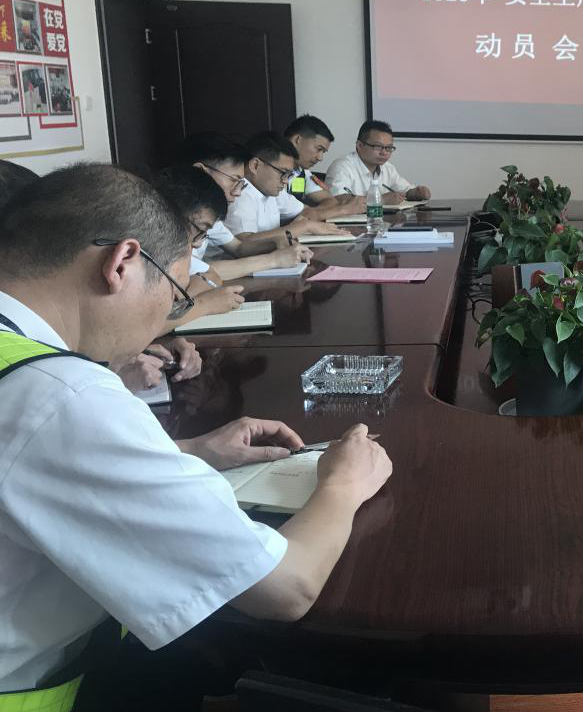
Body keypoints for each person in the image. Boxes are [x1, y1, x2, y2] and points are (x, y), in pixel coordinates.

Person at [0, 163, 393, 704]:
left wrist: (188, 451)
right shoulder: (62, 393)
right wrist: (344, 483)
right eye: (177, 296)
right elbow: (285, 588)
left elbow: (21, 465)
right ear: (122, 262)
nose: (169, 317)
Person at [175, 132, 316, 280]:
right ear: (199, 171)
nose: (238, 192)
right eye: (233, 180)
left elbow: (238, 247)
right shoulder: (172, 215)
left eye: (241, 183)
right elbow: (193, 271)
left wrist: (275, 242)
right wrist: (273, 260)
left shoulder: (207, 211)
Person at [152, 165, 246, 328]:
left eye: (204, 234)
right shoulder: (138, 254)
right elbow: (141, 327)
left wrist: (181, 305)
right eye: (199, 229)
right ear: (167, 213)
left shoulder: (174, 250)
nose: (197, 243)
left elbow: (212, 276)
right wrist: (203, 305)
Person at [224, 131, 346, 237]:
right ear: (255, 166)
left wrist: (305, 223)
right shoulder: (239, 193)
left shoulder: (271, 190)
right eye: (283, 173)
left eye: (289, 175)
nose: (286, 181)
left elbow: (308, 212)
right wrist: (299, 228)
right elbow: (244, 243)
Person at [324, 120, 431, 203]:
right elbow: (336, 199)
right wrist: (381, 200)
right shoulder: (342, 167)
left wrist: (417, 193)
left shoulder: (387, 168)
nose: (384, 152)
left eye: (388, 148)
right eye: (378, 146)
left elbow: (405, 190)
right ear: (360, 146)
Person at [283, 114, 365, 218]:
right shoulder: (272, 171)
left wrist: (313, 213)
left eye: (323, 152)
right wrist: (344, 209)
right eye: (319, 149)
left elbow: (330, 201)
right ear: (297, 140)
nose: (320, 158)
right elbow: (304, 216)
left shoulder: (302, 172)